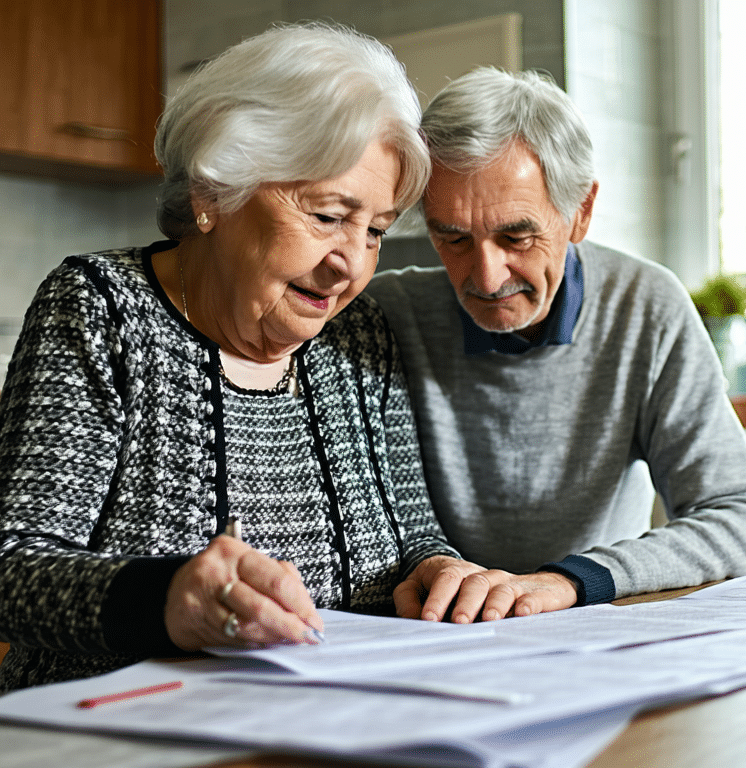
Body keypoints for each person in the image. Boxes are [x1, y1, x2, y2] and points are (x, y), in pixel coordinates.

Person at [0, 22, 488, 692]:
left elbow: (413, 537)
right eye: (326, 216)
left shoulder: (359, 332)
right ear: (213, 193)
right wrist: (168, 599)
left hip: (341, 718)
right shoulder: (100, 307)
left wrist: (442, 569)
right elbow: (15, 568)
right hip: (121, 730)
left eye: (374, 231)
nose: (349, 264)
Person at [367, 68, 746, 618]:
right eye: (454, 238)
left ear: (580, 212)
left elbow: (744, 521)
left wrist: (567, 582)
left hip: (590, 625)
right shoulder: (384, 316)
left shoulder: (646, 306)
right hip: (444, 629)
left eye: (517, 236)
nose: (487, 278)